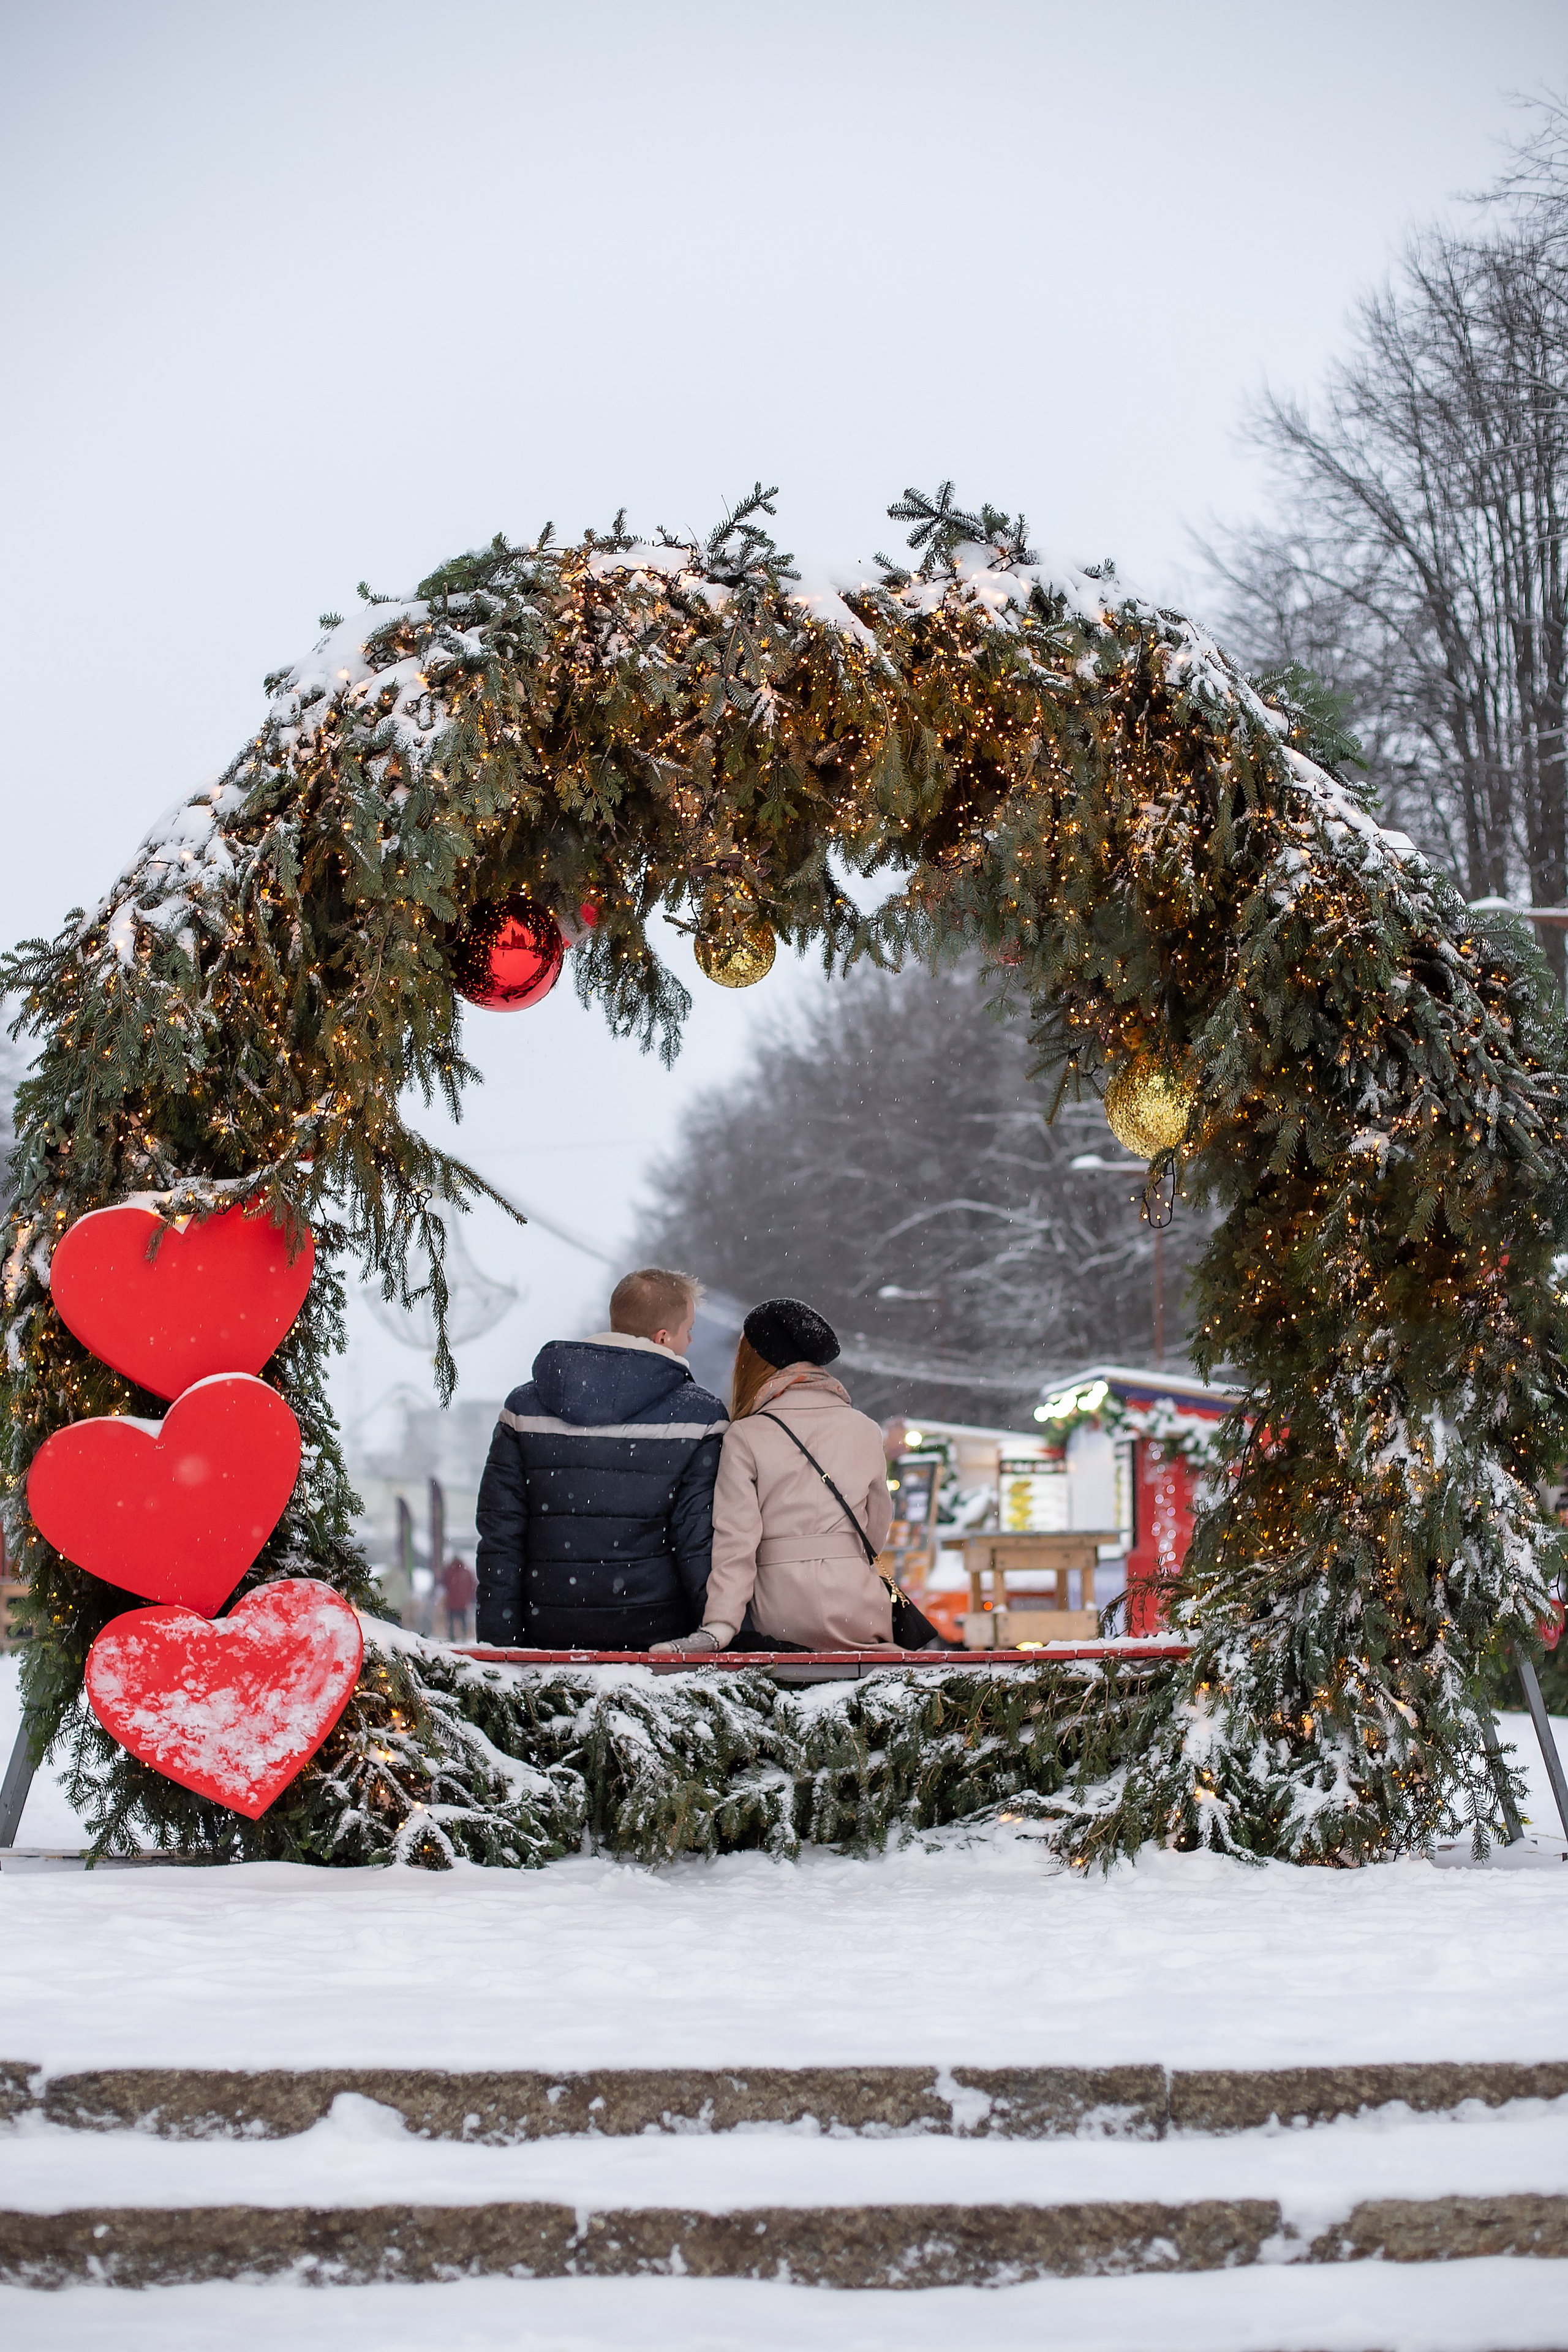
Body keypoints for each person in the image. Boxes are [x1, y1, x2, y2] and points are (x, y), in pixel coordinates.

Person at [475, 1268, 727, 1650]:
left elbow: (501, 1537)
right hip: (658, 1645)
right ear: (664, 1337)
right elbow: (699, 1544)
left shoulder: (525, 1409)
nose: (691, 1340)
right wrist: (712, 1638)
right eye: (688, 1330)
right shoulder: (700, 1419)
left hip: (548, 1640)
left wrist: (501, 1648)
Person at [652, 1297, 901, 1656]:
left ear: (756, 1361)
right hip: (858, 1608)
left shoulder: (746, 1435)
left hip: (780, 1614)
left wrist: (721, 1624)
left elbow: (735, 1541)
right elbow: (877, 1527)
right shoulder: (865, 1429)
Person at [440, 1553, 477, 1643]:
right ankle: (464, 1638)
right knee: (463, 1621)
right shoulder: (466, 1572)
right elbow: (473, 1586)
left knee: (451, 1622)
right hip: (463, 1603)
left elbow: (443, 1583)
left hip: (451, 1603)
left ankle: (452, 1639)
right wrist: (470, 1598)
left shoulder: (448, 1571)